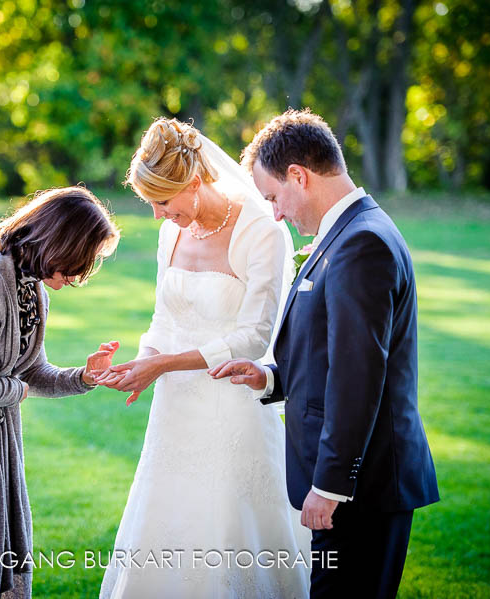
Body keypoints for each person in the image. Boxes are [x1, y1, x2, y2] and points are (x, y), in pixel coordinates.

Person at [211, 108, 440, 599]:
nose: (275, 213)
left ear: (300, 175)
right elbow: (329, 353)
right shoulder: (346, 233)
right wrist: (270, 377)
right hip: (357, 483)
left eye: (274, 196)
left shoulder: (362, 245)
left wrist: (332, 485)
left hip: (363, 487)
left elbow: (358, 378)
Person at [95, 118, 310, 598]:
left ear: (193, 184)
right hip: (175, 409)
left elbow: (254, 337)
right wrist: (142, 363)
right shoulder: (172, 232)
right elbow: (163, 316)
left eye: (163, 203)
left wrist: (163, 365)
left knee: (229, 523)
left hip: (235, 405)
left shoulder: (262, 230)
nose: (156, 216)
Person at [0, 186, 121, 599]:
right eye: (82, 259)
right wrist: (16, 391)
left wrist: (85, 377)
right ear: (58, 243)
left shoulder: (32, 285)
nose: (81, 274)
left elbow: (33, 371)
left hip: (0, 437)